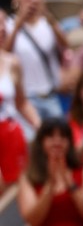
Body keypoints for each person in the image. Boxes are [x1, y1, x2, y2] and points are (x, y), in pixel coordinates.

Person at [5, 0, 70, 121]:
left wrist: (49, 17)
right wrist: (19, 23)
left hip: (50, 96)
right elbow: (4, 55)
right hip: (25, 99)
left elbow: (66, 46)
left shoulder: (47, 24)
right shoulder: (8, 25)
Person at [0, 10, 40, 185]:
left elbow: (21, 103)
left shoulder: (12, 62)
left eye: (4, 23)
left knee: (14, 194)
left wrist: (40, 127)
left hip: (10, 136)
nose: (2, 29)